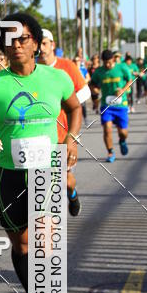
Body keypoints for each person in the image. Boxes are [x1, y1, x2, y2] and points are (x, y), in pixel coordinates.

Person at [0, 12, 81, 293]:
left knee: (45, 242)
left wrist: (71, 138)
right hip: (9, 172)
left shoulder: (56, 78)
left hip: (48, 170)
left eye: (23, 39)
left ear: (35, 43)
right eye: (8, 41)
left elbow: (74, 107)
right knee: (21, 244)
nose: (15, 45)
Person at [38, 29, 91, 216]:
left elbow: (85, 91)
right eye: (38, 44)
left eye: (45, 43)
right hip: (39, 135)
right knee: (40, 181)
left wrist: (67, 102)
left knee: (65, 180)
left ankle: (72, 194)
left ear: (52, 45)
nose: (41, 48)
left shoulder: (66, 66)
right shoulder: (32, 69)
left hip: (64, 134)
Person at [90, 49, 130, 162]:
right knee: (107, 129)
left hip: (121, 105)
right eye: (105, 62)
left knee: (123, 133)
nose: (107, 65)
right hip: (106, 106)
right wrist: (95, 90)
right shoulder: (99, 71)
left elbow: (130, 80)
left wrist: (123, 90)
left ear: (113, 59)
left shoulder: (122, 67)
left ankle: (122, 141)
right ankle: (110, 152)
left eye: (109, 62)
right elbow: (92, 84)